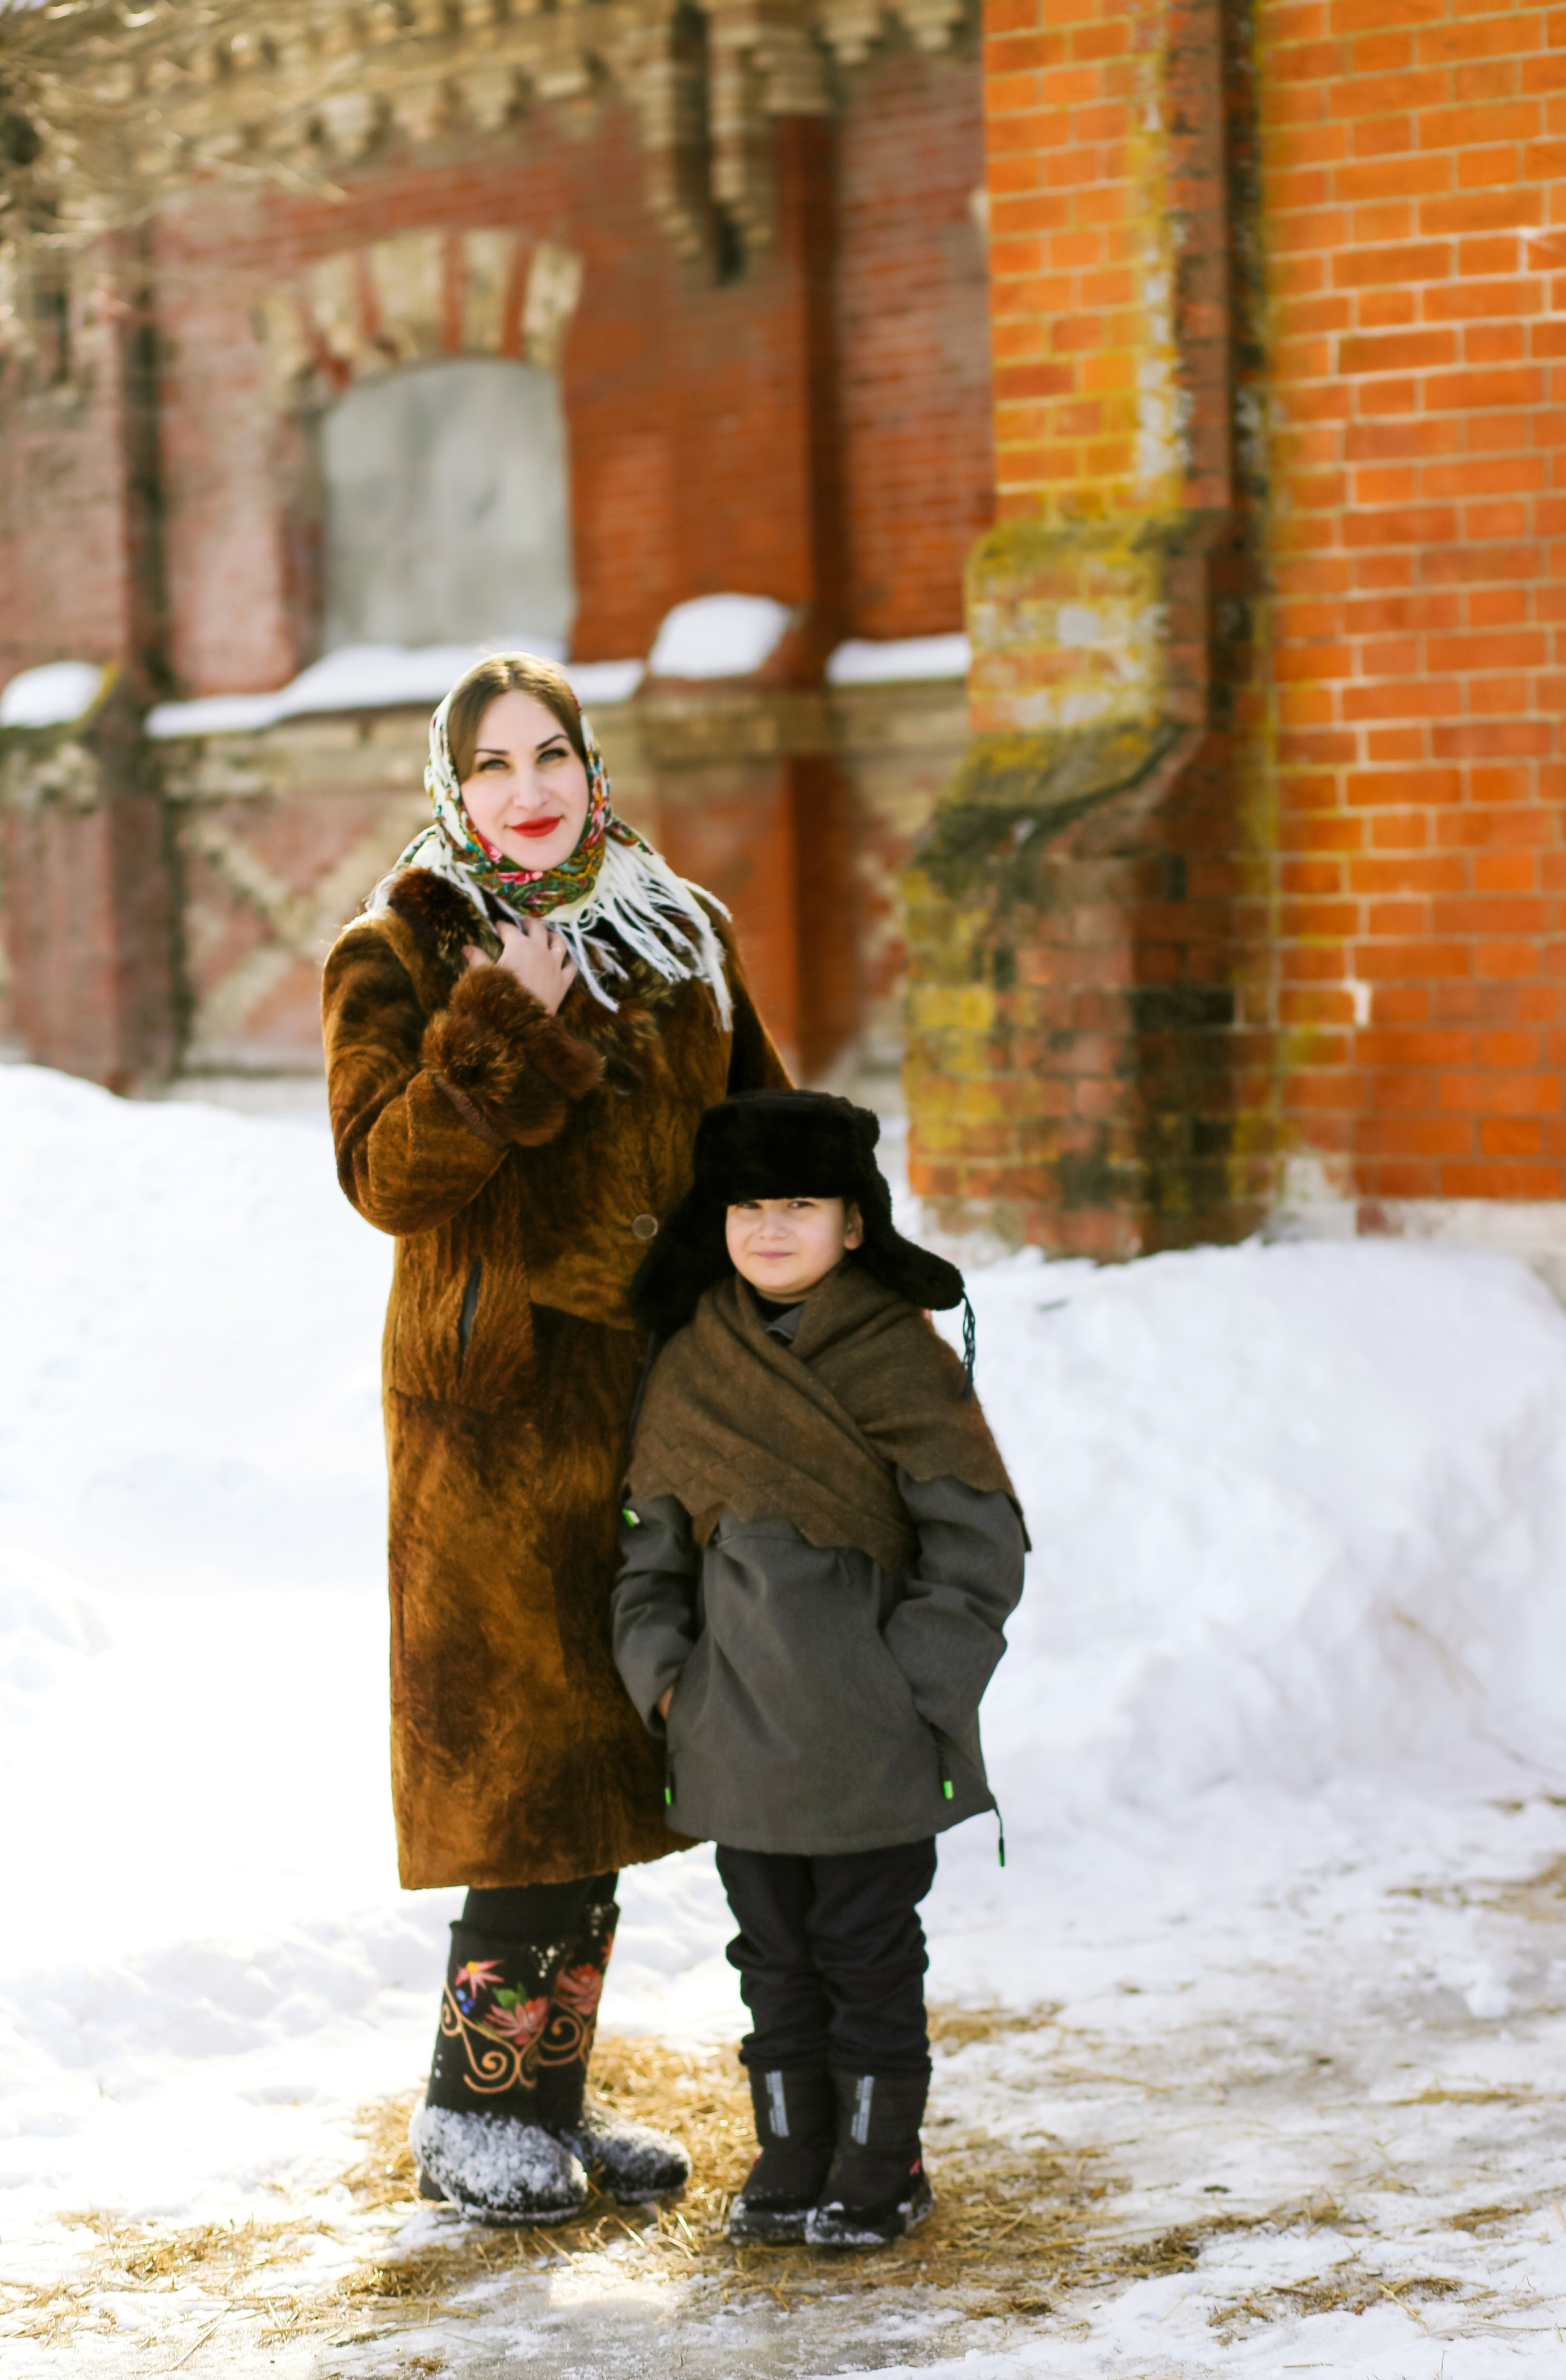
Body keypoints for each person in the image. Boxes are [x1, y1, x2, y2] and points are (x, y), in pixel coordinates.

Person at [321, 654, 788, 2226]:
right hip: (497, 1433)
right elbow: (387, 1180)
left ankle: (547, 2107)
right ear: (452, 792)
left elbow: (760, 1140)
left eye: (552, 757)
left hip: (662, 1417)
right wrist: (496, 1029)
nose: (526, 791)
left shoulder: (681, 931)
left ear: (594, 768)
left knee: (610, 1768)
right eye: (492, 767)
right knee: (517, 1775)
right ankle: (472, 2117)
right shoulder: (395, 951)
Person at [611, 1090, 1026, 2248]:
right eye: (748, 1205)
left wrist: (911, 1689)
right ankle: (793, 2154)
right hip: (734, 1735)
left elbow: (978, 1550)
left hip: (870, 1740)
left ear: (855, 1223)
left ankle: (881, 2167)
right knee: (775, 1964)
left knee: (867, 1957)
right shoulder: (695, 1358)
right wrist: (671, 1685)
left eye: (801, 1204)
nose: (771, 1228)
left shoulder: (900, 1358)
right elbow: (647, 1559)